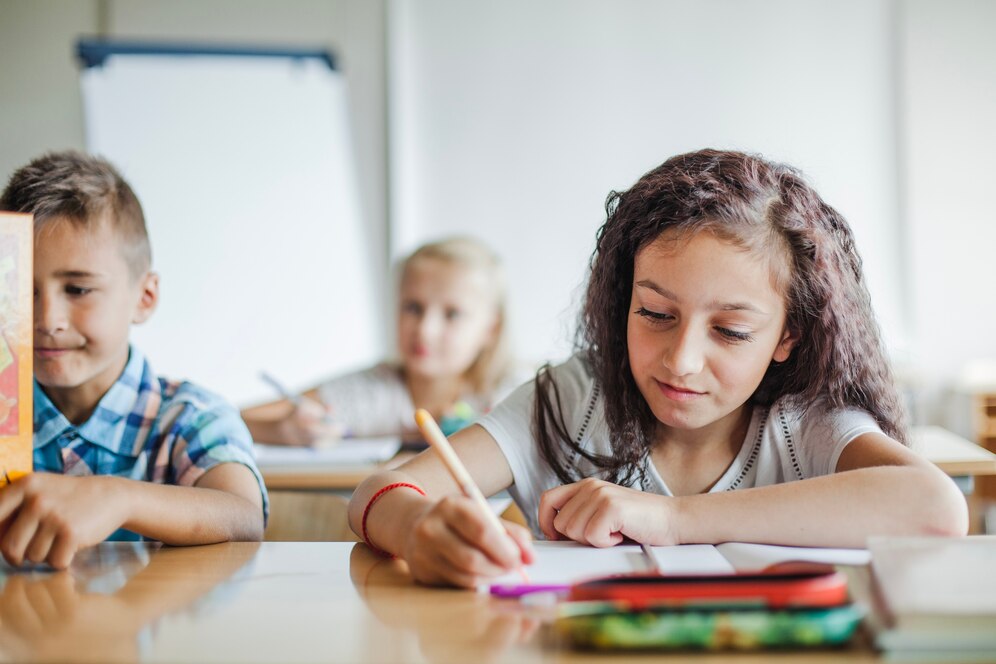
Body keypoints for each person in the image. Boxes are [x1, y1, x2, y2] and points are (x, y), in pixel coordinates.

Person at [348, 149, 968, 588]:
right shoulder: (573, 398)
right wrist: (420, 526)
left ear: (788, 336)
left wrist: (672, 520)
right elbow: (377, 493)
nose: (681, 360)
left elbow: (935, 507)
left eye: (730, 330)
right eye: (654, 313)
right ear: (625, 303)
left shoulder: (804, 421)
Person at [0, 151, 268, 569]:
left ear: (145, 297)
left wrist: (117, 496)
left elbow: (243, 515)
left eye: (77, 289)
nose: (46, 320)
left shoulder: (191, 417)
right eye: (23, 290)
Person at [241, 236, 519, 445]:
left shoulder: (516, 395)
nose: (425, 330)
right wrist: (281, 431)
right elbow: (228, 421)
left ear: (491, 329)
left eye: (452, 314)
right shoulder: (369, 392)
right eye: (413, 308)